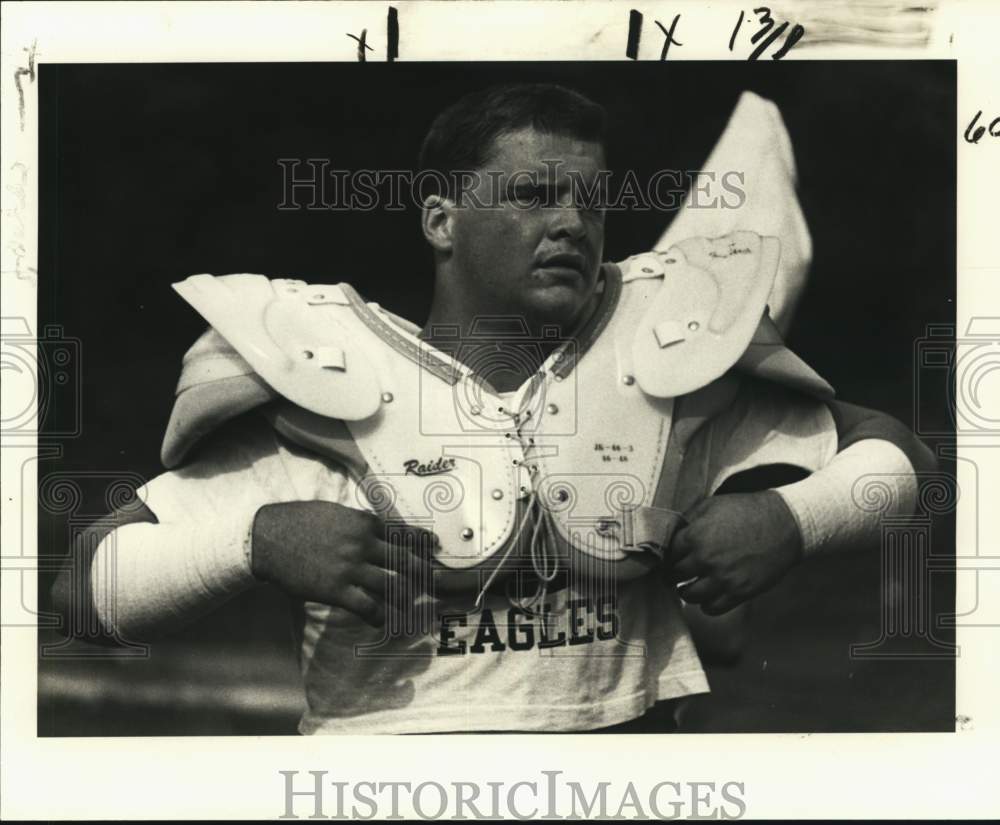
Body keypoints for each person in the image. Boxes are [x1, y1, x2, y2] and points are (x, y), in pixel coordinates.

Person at [50, 82, 935, 734]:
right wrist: (254, 541)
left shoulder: (660, 369)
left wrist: (791, 516)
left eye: (590, 200)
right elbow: (83, 593)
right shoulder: (325, 377)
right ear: (441, 219)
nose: (573, 224)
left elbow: (906, 464)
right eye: (533, 195)